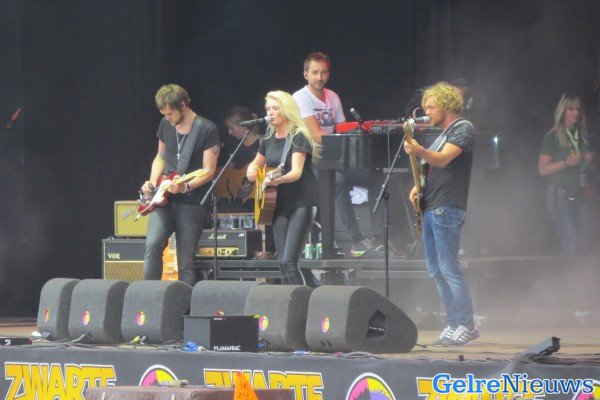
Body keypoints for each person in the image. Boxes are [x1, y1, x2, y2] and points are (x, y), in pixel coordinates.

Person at [403, 81, 478, 346]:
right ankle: (453, 323)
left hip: (448, 206)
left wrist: (419, 150)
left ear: (446, 105)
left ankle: (468, 325)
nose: (427, 112)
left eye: (431, 107)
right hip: (432, 206)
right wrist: (418, 186)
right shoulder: (441, 134)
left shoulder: (463, 128)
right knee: (436, 270)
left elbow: (444, 159)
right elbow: (431, 167)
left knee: (449, 268)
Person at [292, 51, 384, 257]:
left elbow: (343, 130)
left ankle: (377, 236)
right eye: (315, 72)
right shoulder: (300, 97)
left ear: (328, 74)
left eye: (323, 72)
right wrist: (342, 138)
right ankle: (356, 240)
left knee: (377, 177)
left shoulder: (333, 96)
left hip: (336, 156)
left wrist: (360, 131)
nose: (319, 77)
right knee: (337, 181)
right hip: (311, 159)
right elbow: (316, 136)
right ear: (306, 74)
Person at [140, 84, 220, 286]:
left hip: (192, 202)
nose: (167, 118)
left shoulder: (207, 129)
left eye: (170, 114)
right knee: (152, 245)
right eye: (164, 114)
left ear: (183, 105)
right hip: (164, 198)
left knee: (186, 260)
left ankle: (185, 304)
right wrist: (152, 181)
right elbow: (160, 156)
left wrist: (185, 187)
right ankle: (148, 297)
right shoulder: (165, 124)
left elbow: (208, 171)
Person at [246, 91, 319, 284]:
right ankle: (289, 300)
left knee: (289, 262)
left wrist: (276, 180)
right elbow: (256, 164)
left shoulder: (298, 136)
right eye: (268, 109)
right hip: (279, 204)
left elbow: (296, 172)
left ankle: (301, 300)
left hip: (301, 203)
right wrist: (252, 171)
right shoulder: (268, 139)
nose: (270, 112)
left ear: (286, 110)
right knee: (281, 263)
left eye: (275, 108)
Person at [538, 92, 594, 256]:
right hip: (560, 194)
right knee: (571, 243)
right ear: (563, 111)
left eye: (578, 109)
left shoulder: (582, 136)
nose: (576, 113)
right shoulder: (552, 137)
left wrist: (590, 159)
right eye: (571, 109)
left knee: (584, 243)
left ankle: (578, 271)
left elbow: (584, 168)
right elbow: (542, 169)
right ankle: (568, 272)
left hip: (581, 194)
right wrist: (566, 162)